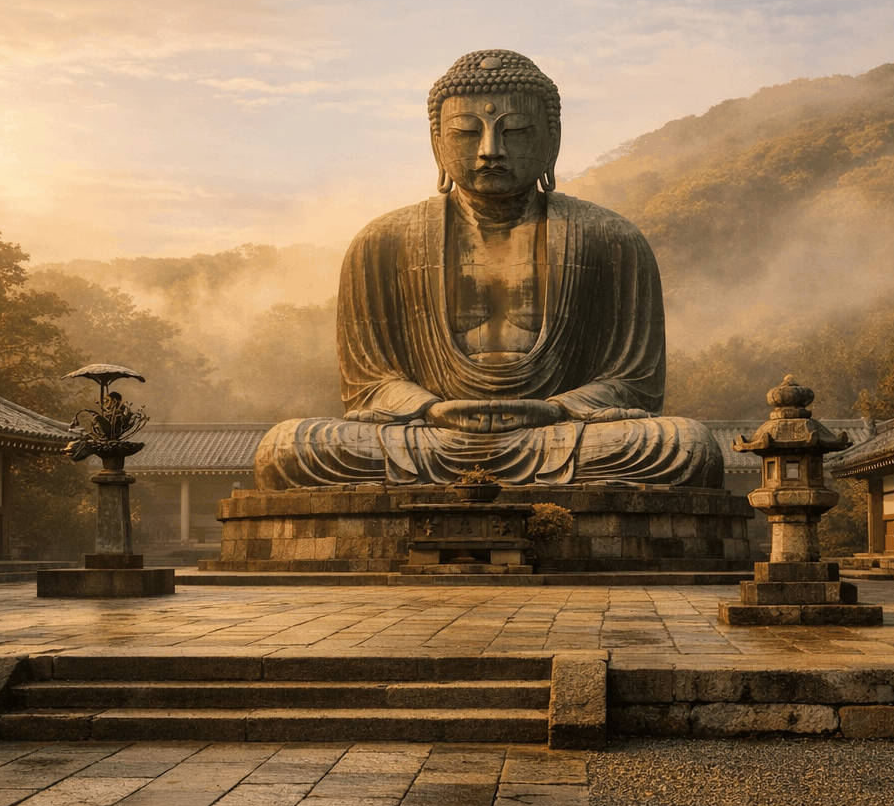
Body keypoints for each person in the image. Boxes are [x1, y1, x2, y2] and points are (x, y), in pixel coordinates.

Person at [256, 49, 723, 489]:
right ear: (436, 144)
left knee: (686, 445)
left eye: (515, 131)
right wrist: (432, 410)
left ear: (552, 140)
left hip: (558, 433)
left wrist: (555, 409)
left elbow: (634, 385)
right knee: (287, 447)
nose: (490, 150)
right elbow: (370, 385)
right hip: (429, 436)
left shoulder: (611, 238)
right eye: (465, 132)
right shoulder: (382, 242)